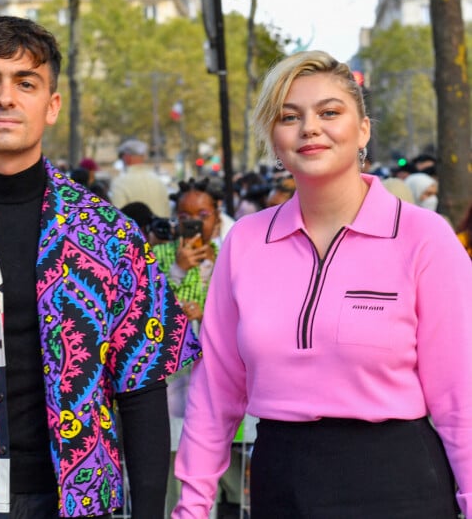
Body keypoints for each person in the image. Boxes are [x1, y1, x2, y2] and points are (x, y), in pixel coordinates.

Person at [0, 15, 201, 519]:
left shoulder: (109, 236)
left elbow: (142, 388)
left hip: (78, 501)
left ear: (52, 105)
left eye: (26, 82)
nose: (5, 98)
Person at [173, 50, 472, 518]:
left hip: (400, 485)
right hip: (279, 482)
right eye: (290, 116)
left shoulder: (424, 238)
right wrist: (191, 508)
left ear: (364, 130)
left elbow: (462, 398)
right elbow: (215, 394)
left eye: (329, 112)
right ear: (275, 140)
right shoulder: (246, 242)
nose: (310, 128)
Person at [152, 179, 242, 518]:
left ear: (217, 215)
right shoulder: (159, 253)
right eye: (184, 215)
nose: (193, 222)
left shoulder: (231, 253)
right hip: (172, 376)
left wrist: (208, 314)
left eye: (202, 214)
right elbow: (147, 306)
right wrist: (178, 269)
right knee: (177, 455)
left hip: (218, 372)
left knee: (222, 452)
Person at [109, 139, 171, 218]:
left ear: (127, 157)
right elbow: (167, 211)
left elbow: (118, 216)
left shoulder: (119, 182)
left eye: (121, 157)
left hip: (135, 229)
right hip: (159, 228)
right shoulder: (157, 180)